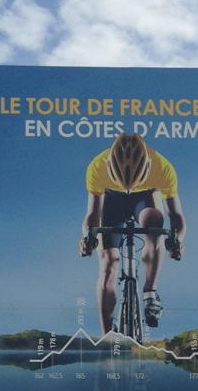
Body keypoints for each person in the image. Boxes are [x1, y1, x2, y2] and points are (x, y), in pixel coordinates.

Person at [79, 133, 186, 334]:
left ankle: (150, 292)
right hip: (112, 201)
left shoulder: (162, 166)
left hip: (145, 198)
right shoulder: (97, 166)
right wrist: (88, 237)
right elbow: (93, 214)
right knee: (108, 264)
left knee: (155, 222)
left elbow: (176, 216)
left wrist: (177, 240)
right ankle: (107, 335)